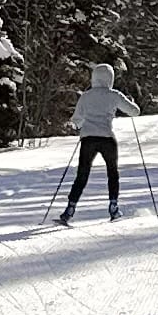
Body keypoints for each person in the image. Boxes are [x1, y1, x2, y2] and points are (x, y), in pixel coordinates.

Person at [57, 61, 141, 222]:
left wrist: (84, 124)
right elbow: (134, 112)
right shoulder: (114, 95)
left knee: (82, 174)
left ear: (94, 78)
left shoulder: (86, 96)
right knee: (112, 173)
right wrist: (130, 101)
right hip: (107, 138)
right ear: (110, 78)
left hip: (88, 139)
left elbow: (76, 120)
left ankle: (70, 209)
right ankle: (113, 207)